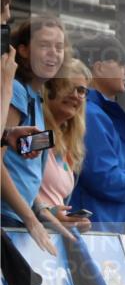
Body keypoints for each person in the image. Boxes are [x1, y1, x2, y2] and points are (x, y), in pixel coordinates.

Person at [71, 34, 125, 229]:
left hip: (100, 227)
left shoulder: (97, 111)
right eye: (122, 64)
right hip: (95, 229)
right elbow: (103, 178)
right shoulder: (91, 113)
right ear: (99, 67)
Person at [1, 16, 71, 254]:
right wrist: (31, 219)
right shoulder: (18, 92)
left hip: (16, 218)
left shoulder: (34, 98)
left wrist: (41, 209)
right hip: (7, 219)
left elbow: (21, 170)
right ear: (22, 50)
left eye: (59, 47)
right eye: (44, 45)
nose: (53, 53)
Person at [35, 58, 91, 233]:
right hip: (25, 234)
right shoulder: (37, 134)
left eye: (81, 90)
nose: (75, 95)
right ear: (49, 89)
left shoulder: (67, 143)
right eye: (67, 86)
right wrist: (47, 213)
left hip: (50, 237)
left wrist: (70, 220)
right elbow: (16, 178)